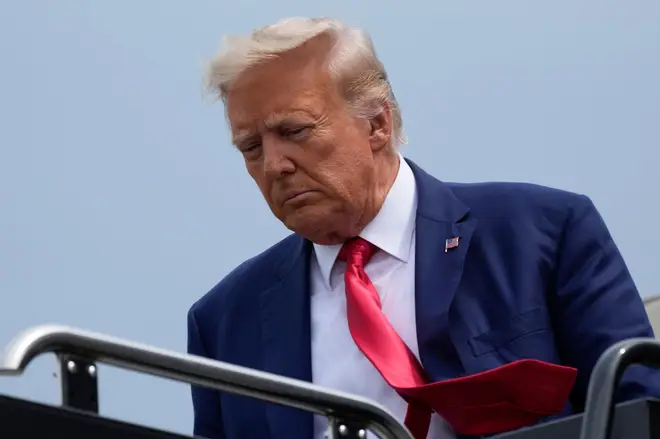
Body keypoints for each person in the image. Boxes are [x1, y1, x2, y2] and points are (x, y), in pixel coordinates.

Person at [187, 17, 659, 439]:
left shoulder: (542, 233)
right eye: (250, 147)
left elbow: (642, 409)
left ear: (376, 123)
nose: (274, 165)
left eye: (294, 131)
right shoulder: (224, 322)